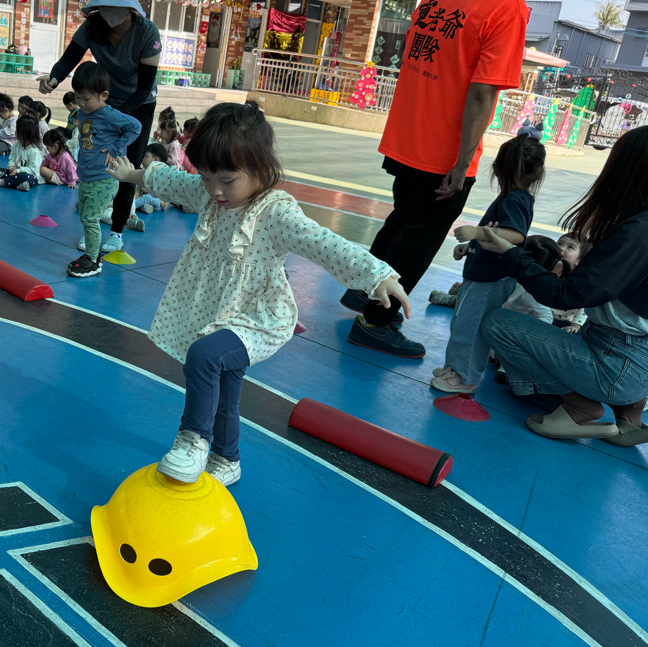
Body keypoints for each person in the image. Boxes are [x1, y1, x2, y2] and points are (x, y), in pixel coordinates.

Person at [106, 101, 408, 485]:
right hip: (217, 308)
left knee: (203, 357)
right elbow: (171, 181)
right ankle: (226, 458)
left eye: (227, 180)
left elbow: (324, 244)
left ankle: (193, 438)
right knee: (224, 386)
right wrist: (132, 174)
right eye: (207, 177)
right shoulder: (208, 194)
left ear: (261, 169)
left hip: (256, 315)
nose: (215, 189)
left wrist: (377, 276)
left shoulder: (274, 212)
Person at [340, 0, 570, 358]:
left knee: (402, 221)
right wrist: (462, 162)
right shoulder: (507, 6)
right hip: (442, 152)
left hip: (406, 137)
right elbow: (482, 92)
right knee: (418, 241)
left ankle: (363, 290)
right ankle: (375, 322)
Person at [478, 126, 648, 445]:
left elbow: (567, 295)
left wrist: (511, 253)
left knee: (498, 324)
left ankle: (579, 405)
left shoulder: (637, 233)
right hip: (636, 364)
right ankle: (631, 418)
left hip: (616, 364)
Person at [39, 0, 162, 256]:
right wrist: (53, 79)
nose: (110, 12)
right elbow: (69, 58)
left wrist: (115, 115)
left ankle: (117, 231)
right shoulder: (92, 27)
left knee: (127, 165)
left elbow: (144, 87)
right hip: (103, 101)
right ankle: (93, 225)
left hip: (138, 104)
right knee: (94, 161)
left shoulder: (147, 32)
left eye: (116, 5)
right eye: (105, 5)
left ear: (129, 6)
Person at [430, 130, 545, 394]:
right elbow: (496, 232)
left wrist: (477, 232)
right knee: (462, 322)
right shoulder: (511, 197)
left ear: (497, 168)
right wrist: (470, 246)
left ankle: (465, 377)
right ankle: (455, 367)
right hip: (482, 273)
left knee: (470, 327)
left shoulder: (515, 199)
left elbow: (515, 235)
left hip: (491, 278)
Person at [67, 62, 142, 279]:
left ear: (104, 96)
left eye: (86, 99)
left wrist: (116, 148)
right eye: (77, 97)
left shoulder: (110, 115)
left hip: (104, 178)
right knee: (85, 215)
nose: (81, 103)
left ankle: (93, 260)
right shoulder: (83, 113)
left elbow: (135, 127)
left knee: (90, 218)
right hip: (86, 177)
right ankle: (92, 251)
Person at [1, 115, 42, 192]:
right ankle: (18, 185)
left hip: (30, 177)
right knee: (0, 171)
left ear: (23, 134)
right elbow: (12, 157)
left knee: (24, 177)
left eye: (17, 129)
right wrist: (12, 166)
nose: (15, 131)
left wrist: (18, 170)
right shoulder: (17, 144)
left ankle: (2, 182)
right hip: (15, 173)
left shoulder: (34, 151)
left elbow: (33, 170)